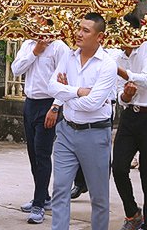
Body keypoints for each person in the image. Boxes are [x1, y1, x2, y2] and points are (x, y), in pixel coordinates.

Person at [48, 13, 116, 230]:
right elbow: (51, 87)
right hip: (66, 131)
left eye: (86, 30)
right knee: (60, 189)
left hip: (94, 134)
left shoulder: (107, 64)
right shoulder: (68, 57)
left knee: (99, 196)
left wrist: (66, 93)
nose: (79, 33)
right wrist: (78, 91)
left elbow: (93, 103)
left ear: (100, 37)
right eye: (79, 28)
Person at [9, 21, 70, 224]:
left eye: (39, 18)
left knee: (42, 154)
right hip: (30, 103)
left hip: (48, 103)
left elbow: (65, 79)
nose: (35, 22)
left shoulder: (59, 46)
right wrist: (35, 51)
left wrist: (56, 106)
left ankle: (38, 204)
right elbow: (16, 69)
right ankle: (43, 196)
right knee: (33, 153)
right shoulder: (28, 44)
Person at [111, 15, 147, 230]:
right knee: (118, 167)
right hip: (130, 116)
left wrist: (120, 72)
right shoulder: (117, 57)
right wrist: (125, 95)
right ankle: (132, 212)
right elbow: (120, 94)